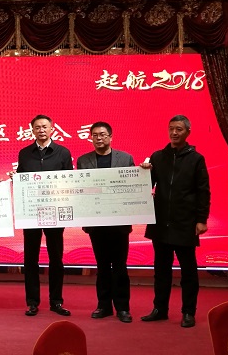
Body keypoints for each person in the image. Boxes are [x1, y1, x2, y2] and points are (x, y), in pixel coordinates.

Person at [140, 115, 210, 328]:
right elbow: (146, 186)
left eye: (179, 129)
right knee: (161, 270)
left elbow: (203, 192)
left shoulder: (196, 159)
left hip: (185, 222)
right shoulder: (157, 156)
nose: (174, 132)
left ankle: (188, 312)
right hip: (160, 222)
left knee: (188, 271)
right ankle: (160, 309)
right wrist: (142, 172)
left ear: (187, 132)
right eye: (171, 128)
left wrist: (201, 220)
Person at [76, 121, 135, 323]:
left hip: (119, 223)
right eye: (95, 135)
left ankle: (123, 308)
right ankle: (104, 306)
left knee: (119, 266)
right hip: (96, 222)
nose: (99, 138)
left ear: (110, 136)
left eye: (102, 134)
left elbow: (132, 186)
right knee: (101, 266)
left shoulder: (125, 158)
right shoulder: (83, 161)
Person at [17, 115, 73, 317]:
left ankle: (56, 301)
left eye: (44, 127)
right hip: (31, 213)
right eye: (37, 127)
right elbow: (22, 179)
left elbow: (69, 181)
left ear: (52, 129)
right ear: (32, 130)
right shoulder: (25, 153)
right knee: (30, 258)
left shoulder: (63, 153)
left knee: (56, 258)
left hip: (55, 212)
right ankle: (32, 302)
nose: (41, 130)